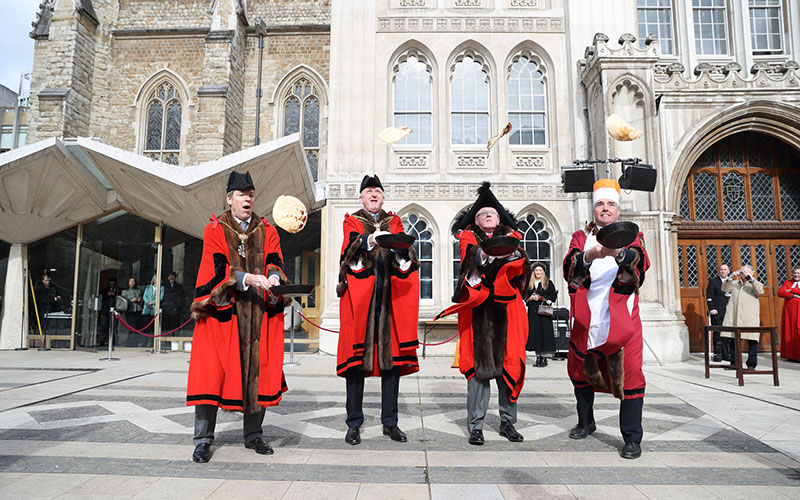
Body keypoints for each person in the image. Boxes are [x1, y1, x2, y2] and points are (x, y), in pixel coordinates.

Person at [186, 171, 289, 463]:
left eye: (251, 194)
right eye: (242, 194)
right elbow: (215, 271)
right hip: (223, 315)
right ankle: (203, 439)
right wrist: (248, 279)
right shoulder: (216, 229)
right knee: (210, 376)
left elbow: (275, 261)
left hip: (257, 314)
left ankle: (254, 435)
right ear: (229, 198)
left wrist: (272, 276)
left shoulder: (267, 229)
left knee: (258, 372)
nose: (248, 199)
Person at [563, 179, 649, 459]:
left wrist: (619, 253)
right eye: (600, 203)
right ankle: (586, 421)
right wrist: (591, 254)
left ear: (618, 210)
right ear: (594, 208)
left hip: (623, 318)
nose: (605, 208)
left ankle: (632, 438)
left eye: (610, 204)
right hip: (587, 318)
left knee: (632, 375)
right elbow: (569, 266)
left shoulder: (633, 234)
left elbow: (640, 260)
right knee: (579, 372)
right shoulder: (580, 236)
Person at [438, 182, 529, 446]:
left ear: (499, 218)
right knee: (478, 371)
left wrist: (507, 257)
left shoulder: (514, 237)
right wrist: (491, 256)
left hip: (508, 310)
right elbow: (470, 257)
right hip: (479, 310)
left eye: (493, 212)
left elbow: (522, 264)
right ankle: (475, 426)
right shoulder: (468, 237)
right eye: (483, 213)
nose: (489, 215)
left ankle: (507, 422)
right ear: (476, 220)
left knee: (510, 365)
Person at [336, 174, 420, 446]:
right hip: (362, 303)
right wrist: (370, 241)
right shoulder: (352, 220)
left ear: (384, 197)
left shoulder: (393, 221)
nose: (373, 195)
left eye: (378, 192)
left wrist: (401, 251)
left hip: (388, 302)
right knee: (356, 366)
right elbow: (349, 249)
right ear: (361, 197)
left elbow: (407, 255)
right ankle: (354, 424)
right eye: (369, 192)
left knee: (391, 365)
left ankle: (390, 422)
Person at [721, 265, 764, 370]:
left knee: (752, 340)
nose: (744, 274)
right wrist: (730, 277)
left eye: (746, 272)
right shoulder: (735, 283)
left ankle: (751, 364)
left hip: (749, 317)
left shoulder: (755, 284)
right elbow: (724, 289)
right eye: (742, 272)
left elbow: (760, 291)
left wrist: (752, 279)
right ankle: (734, 362)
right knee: (734, 339)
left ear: (752, 273)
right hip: (735, 316)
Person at [526, 262, 557, 368]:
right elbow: (525, 296)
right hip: (533, 312)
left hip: (543, 313)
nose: (538, 272)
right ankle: (538, 357)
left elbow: (553, 297)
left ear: (543, 272)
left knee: (544, 334)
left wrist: (541, 298)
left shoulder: (548, 283)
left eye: (540, 271)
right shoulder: (530, 283)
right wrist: (530, 298)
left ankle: (544, 358)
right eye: (536, 271)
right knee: (535, 334)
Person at [706, 264, 732, 362]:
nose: (723, 271)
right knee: (717, 333)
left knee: (727, 333)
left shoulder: (732, 282)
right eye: (721, 270)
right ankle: (718, 353)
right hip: (717, 312)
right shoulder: (713, 282)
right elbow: (709, 296)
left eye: (725, 270)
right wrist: (711, 308)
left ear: (728, 271)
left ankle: (726, 354)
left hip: (728, 312)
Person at [778, 267, 800, 362]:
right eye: (795, 273)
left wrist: (791, 290)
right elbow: (781, 292)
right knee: (789, 330)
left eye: (798, 273)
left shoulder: (789, 286)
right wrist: (794, 295)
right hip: (789, 312)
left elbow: (787, 291)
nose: (796, 275)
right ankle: (790, 355)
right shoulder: (787, 282)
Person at [121, 277, 144, 345]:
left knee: (137, 327)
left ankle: (134, 342)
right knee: (132, 327)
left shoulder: (138, 291)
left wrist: (140, 300)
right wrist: (131, 300)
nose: (132, 283)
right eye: (131, 281)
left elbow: (141, 300)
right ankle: (130, 343)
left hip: (138, 310)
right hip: (130, 311)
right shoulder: (125, 291)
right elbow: (123, 301)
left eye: (133, 281)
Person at [98, 277, 118, 346]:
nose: (112, 285)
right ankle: (102, 341)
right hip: (105, 310)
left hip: (115, 310)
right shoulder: (105, 289)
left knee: (114, 327)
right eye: (111, 284)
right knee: (103, 326)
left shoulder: (118, 290)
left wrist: (114, 294)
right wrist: (107, 294)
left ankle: (113, 341)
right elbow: (102, 296)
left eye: (113, 284)